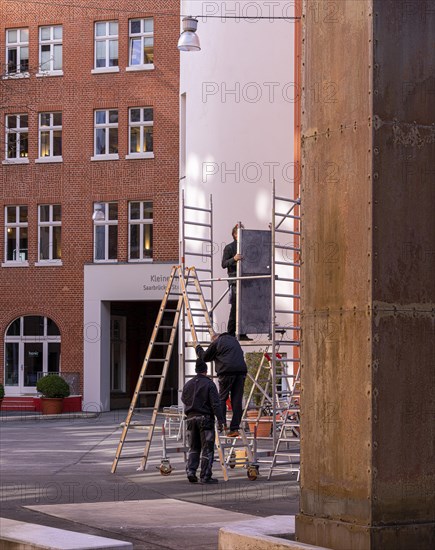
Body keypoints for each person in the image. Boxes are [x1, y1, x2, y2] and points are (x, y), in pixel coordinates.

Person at [181, 358, 225, 484]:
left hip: (190, 419)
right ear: (205, 370)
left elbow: (184, 399)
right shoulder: (209, 384)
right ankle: (205, 476)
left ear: (196, 370)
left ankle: (191, 471)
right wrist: (221, 421)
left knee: (194, 448)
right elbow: (215, 404)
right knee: (207, 448)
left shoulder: (188, 384)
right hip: (205, 419)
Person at [196, 333, 247, 437]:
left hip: (226, 371)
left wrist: (198, 348)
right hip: (241, 372)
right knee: (237, 400)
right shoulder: (234, 341)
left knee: (222, 398)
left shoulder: (217, 342)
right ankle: (234, 428)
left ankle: (222, 423)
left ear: (214, 339)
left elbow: (205, 357)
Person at [221, 224, 252, 341]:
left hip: (246, 280)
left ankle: (242, 332)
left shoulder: (246, 247)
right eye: (240, 233)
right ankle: (231, 333)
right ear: (235, 235)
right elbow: (224, 264)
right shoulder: (229, 248)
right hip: (234, 280)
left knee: (245, 307)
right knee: (235, 307)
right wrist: (234, 259)